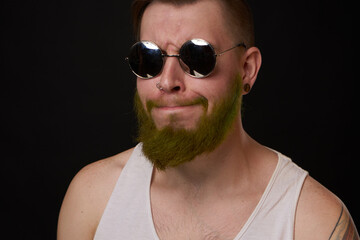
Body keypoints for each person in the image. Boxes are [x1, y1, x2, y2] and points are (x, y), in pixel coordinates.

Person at [57, 0, 359, 239]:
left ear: (247, 69)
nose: (168, 81)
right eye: (150, 58)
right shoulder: (92, 198)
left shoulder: (313, 223)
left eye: (197, 57)